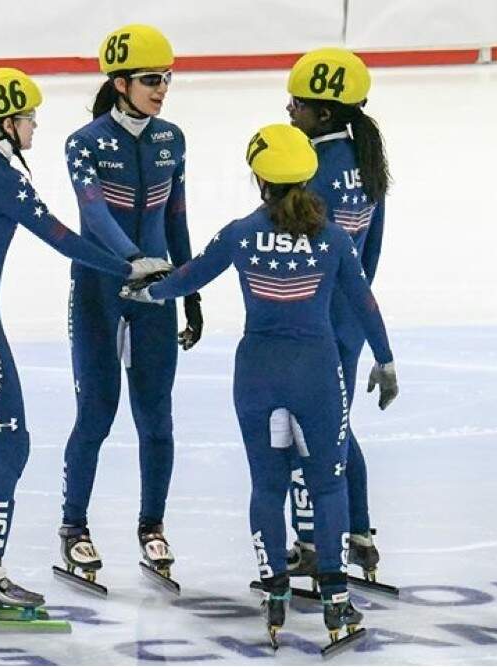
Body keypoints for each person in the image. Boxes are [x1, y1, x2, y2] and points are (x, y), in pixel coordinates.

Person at [121, 124, 399, 648]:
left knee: (267, 484)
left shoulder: (240, 233)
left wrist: (148, 292)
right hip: (317, 373)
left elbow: (190, 277)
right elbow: (364, 303)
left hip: (257, 375)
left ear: (259, 178)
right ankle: (337, 603)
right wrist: (384, 360)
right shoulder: (334, 239)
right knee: (327, 484)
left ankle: (274, 592)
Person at [0, 67, 171, 609]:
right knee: (10, 445)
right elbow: (61, 237)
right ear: (6, 123)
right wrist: (127, 267)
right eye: (29, 118)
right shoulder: (2, 178)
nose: (34, 127)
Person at [57, 24, 200, 590]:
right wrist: (132, 259)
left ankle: (152, 526)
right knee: (97, 411)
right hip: (101, 289)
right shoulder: (84, 142)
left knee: (156, 416)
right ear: (119, 83)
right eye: (149, 80)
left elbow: (177, 218)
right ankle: (73, 528)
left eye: (166, 79)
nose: (161, 89)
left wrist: (189, 290)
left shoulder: (172, 139)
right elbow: (93, 215)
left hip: (157, 292)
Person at [283, 48, 392, 583]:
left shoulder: (309, 171)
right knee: (340, 429)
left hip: (312, 319)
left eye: (297, 104)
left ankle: (312, 542)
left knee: (312, 433)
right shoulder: (368, 167)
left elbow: (297, 258)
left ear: (324, 113)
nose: (288, 110)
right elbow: (369, 255)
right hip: (350, 315)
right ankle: (360, 535)